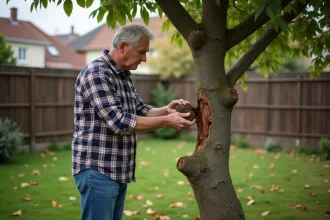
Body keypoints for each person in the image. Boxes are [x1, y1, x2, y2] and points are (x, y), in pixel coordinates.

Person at [72, 23, 196, 220]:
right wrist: (167, 121)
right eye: (142, 52)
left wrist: (166, 110)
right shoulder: (97, 73)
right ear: (123, 46)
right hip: (98, 169)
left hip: (118, 169)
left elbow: (141, 110)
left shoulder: (123, 76)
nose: (145, 58)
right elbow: (119, 121)